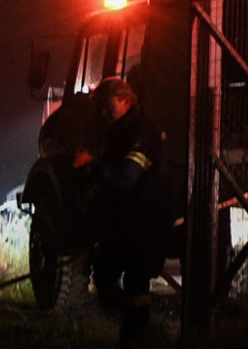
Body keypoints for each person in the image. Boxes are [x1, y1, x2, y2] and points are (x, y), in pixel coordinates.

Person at [89, 77, 172, 348]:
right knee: (104, 275)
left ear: (125, 101)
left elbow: (125, 178)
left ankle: (136, 335)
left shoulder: (141, 132)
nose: (102, 112)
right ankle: (137, 328)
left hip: (145, 222)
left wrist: (91, 168)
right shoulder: (120, 130)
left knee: (136, 282)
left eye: (106, 105)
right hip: (126, 221)